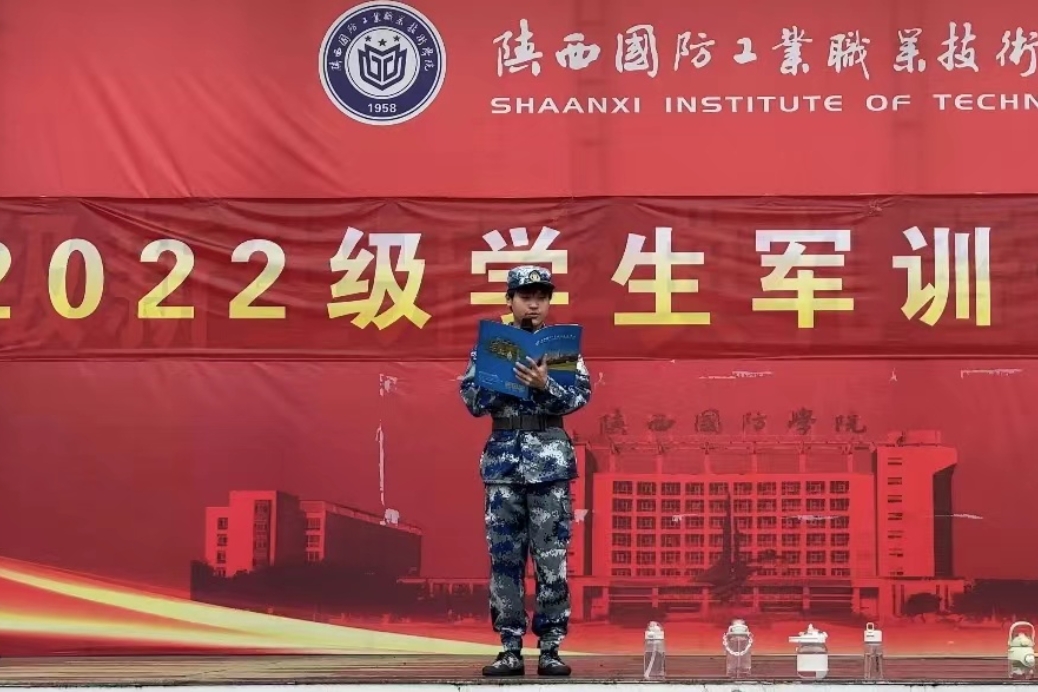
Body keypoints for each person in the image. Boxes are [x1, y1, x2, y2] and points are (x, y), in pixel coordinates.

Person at [459, 265, 592, 677]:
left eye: (541, 297)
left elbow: (579, 397)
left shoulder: (561, 349)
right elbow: (472, 400)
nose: (534, 304)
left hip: (550, 465)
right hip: (503, 466)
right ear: (510, 300)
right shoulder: (489, 348)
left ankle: (550, 647)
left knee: (552, 561)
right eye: (525, 296)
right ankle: (509, 647)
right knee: (505, 561)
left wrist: (543, 384)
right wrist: (500, 381)